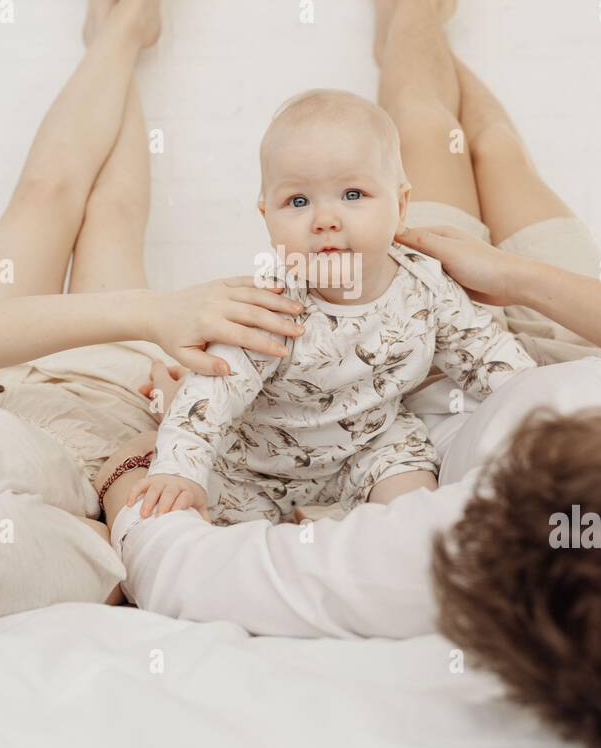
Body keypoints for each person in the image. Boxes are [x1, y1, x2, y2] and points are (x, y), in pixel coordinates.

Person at [98, 0, 601, 748]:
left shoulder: (474, 545)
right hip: (553, 306)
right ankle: (422, 4)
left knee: (431, 129)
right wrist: (510, 279)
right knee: (490, 145)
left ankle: (414, 20)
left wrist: (148, 484)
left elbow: (199, 569)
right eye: (295, 203)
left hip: (432, 310)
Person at [0, 0, 305, 645]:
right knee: (112, 213)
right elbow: (111, 553)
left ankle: (121, 21)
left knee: (46, 194)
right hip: (91, 419)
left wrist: (151, 312)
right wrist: (163, 443)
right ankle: (122, 23)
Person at [129, 85, 535, 525]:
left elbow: (485, 354)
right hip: (259, 461)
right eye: (298, 201)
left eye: (353, 195)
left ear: (400, 206)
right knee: (206, 512)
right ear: (267, 220)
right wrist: (179, 469)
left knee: (411, 485)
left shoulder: (426, 286)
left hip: (369, 442)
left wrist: (543, 407)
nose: (325, 219)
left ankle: (390, 540)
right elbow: (212, 391)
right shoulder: (270, 306)